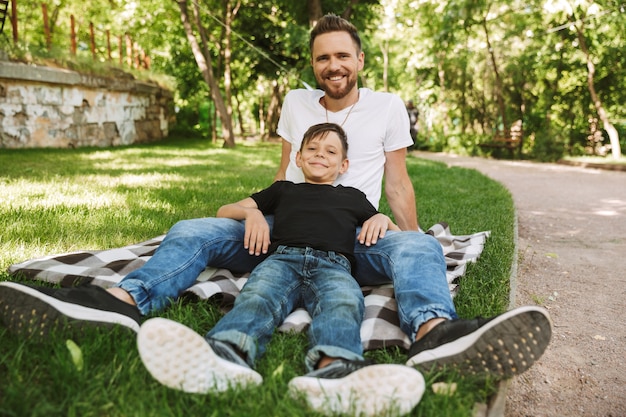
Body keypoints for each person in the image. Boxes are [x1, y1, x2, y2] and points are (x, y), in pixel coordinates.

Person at [0, 12, 551, 392]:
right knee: (192, 229)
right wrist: (261, 213)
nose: (332, 66)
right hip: (280, 233)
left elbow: (399, 181)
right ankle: (123, 302)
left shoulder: (386, 106)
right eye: (321, 58)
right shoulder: (294, 101)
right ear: (313, 64)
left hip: (353, 241)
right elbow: (280, 174)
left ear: (359, 58)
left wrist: (404, 233)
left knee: (417, 248)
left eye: (342, 56)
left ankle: (433, 333)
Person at [137, 122, 425, 416]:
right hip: (281, 260)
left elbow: (385, 226)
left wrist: (380, 220)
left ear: (344, 164)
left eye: (330, 151)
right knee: (257, 296)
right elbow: (225, 210)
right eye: (311, 149)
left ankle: (336, 372)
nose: (319, 155)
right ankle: (226, 354)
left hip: (334, 266)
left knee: (343, 305)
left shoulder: (352, 196)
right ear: (297, 158)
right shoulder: (283, 190)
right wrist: (252, 214)